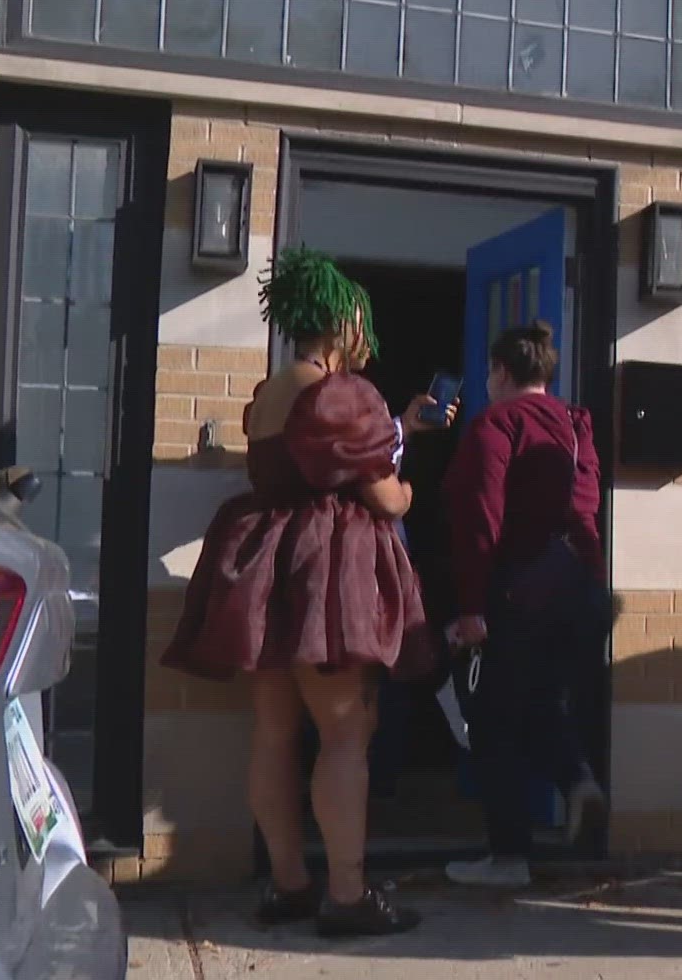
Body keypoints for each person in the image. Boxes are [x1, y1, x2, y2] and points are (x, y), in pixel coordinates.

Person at [161, 248, 428, 938]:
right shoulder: (341, 393)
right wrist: (404, 490)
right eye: (359, 324)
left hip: (263, 569)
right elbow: (381, 495)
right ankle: (346, 895)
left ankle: (290, 884)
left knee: (274, 733)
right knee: (346, 733)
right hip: (324, 572)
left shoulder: (271, 391)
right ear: (342, 323)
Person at [441, 322, 608, 889]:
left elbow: (480, 521)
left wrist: (470, 607)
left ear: (503, 372)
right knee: (542, 706)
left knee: (493, 723)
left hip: (515, 594)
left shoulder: (495, 425)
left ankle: (507, 856)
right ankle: (578, 780)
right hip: (576, 591)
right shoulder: (575, 425)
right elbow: (586, 512)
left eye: (490, 372)